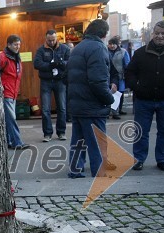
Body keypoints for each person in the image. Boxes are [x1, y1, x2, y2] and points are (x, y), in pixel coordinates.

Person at [66, 19, 117, 178]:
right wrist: (110, 98)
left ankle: (75, 169)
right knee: (97, 141)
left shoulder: (78, 48)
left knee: (78, 141)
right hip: (92, 105)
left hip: (77, 104)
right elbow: (98, 81)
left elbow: (67, 76)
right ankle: (100, 171)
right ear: (104, 33)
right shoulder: (98, 48)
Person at [126, 20, 164, 172]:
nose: (160, 36)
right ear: (152, 34)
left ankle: (162, 159)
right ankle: (138, 159)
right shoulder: (141, 53)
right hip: (144, 100)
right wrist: (136, 88)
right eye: (157, 33)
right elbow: (130, 72)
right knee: (141, 131)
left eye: (163, 33)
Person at [34, 30, 71, 142]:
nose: (51, 42)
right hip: (46, 81)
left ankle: (61, 132)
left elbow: (70, 62)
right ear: (46, 39)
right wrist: (50, 65)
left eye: (53, 40)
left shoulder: (65, 49)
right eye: (49, 40)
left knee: (62, 108)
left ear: (57, 38)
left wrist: (61, 63)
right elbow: (37, 64)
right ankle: (47, 134)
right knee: (45, 109)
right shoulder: (41, 50)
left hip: (60, 81)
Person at [0, 34, 30, 150]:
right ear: (9, 45)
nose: (18, 47)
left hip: (12, 92)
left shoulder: (16, 57)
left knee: (9, 119)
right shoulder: (3, 57)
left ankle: (9, 141)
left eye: (19, 44)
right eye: (15, 44)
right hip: (6, 92)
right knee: (11, 119)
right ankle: (17, 142)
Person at [107, 36, 130, 119]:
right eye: (110, 44)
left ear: (117, 44)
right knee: (109, 93)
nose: (112, 46)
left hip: (120, 76)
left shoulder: (123, 52)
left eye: (113, 44)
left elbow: (127, 64)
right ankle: (110, 111)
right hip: (108, 76)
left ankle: (117, 110)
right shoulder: (105, 52)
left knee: (119, 93)